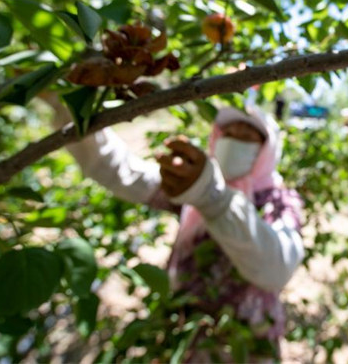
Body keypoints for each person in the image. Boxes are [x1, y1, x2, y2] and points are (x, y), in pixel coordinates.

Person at [47, 101, 304, 359]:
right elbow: (123, 173)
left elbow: (277, 267)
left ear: (266, 149)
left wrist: (212, 196)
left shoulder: (279, 201)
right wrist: (72, 107)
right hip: (182, 335)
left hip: (245, 346)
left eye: (246, 137)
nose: (234, 141)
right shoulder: (191, 185)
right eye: (229, 134)